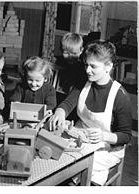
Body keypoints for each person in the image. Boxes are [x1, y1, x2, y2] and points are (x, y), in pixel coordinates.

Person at [52, 40, 132, 185]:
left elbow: (126, 136)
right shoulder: (84, 82)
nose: (87, 70)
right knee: (55, 154)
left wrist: (104, 136)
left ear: (108, 66)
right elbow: (68, 103)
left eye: (93, 66)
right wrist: (60, 112)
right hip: (80, 135)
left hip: (107, 146)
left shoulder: (120, 96)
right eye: (86, 65)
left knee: (81, 167)